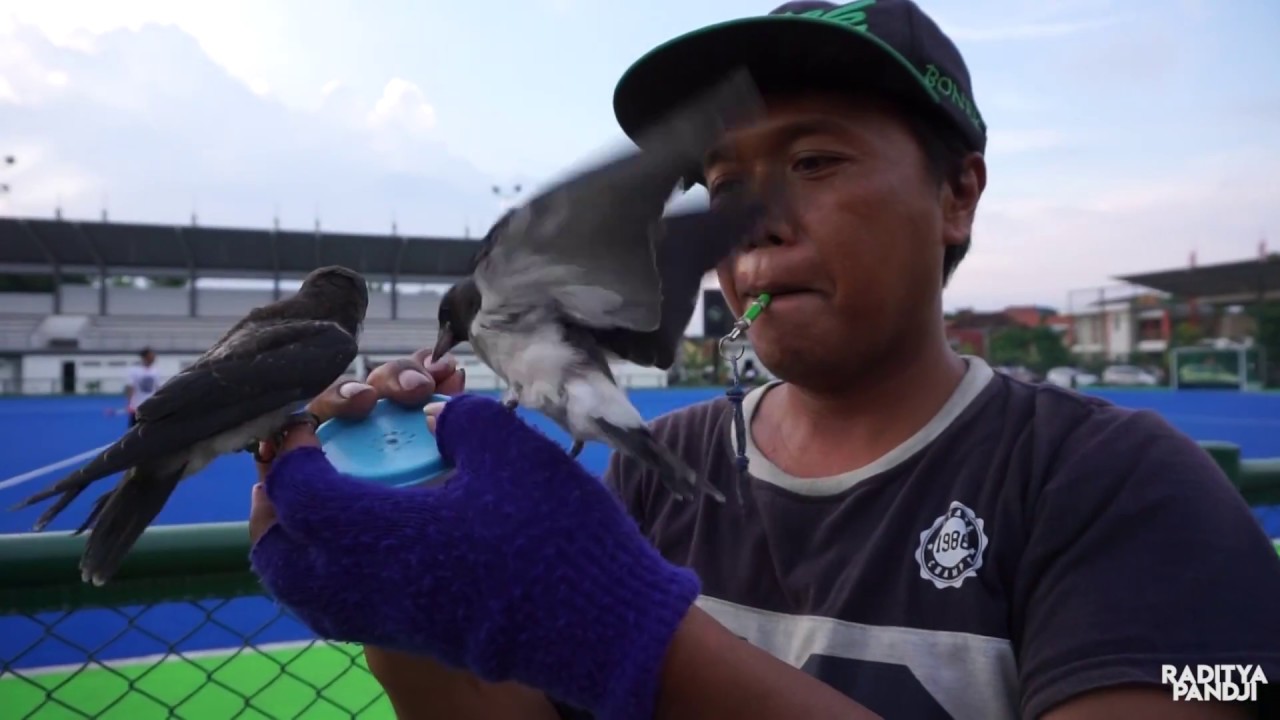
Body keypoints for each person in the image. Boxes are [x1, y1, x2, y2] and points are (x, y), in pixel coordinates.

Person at [248, 2, 1280, 718]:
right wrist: (406, 586)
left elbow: (1217, 687)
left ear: (957, 193)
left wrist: (631, 632)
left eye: (814, 161)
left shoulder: (1133, 495)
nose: (755, 223)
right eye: (718, 182)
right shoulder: (660, 474)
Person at [124, 347, 160, 427]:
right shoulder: (134, 371)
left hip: (151, 405)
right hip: (137, 406)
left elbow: (157, 388)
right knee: (133, 429)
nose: (154, 358)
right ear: (145, 357)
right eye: (151, 356)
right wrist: (130, 403)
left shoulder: (155, 371)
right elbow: (130, 387)